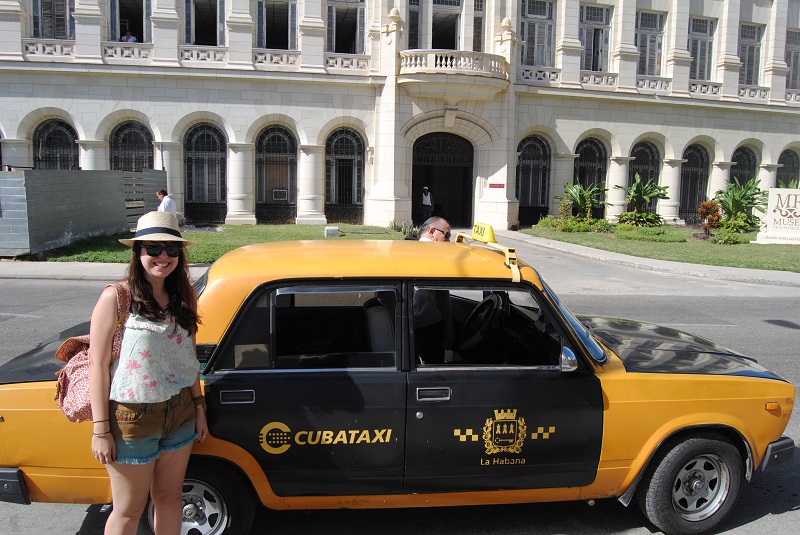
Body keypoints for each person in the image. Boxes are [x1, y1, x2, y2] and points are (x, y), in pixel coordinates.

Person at [89, 211, 207, 535]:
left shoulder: (185, 296)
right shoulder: (116, 297)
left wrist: (199, 407)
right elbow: (98, 365)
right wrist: (101, 430)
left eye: (171, 249)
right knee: (128, 510)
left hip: (180, 411)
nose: (163, 256)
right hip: (131, 418)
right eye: (153, 248)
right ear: (138, 251)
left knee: (169, 499)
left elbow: (188, 359)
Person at [414, 217, 455, 363]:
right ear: (432, 231)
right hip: (428, 326)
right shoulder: (436, 256)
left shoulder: (407, 250)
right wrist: (449, 324)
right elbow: (441, 294)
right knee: (434, 368)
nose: (448, 241)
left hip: (405, 324)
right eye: (447, 235)